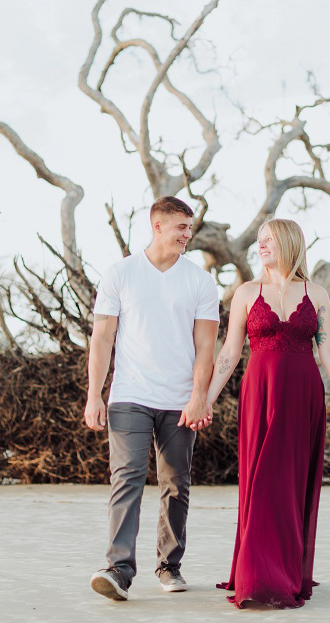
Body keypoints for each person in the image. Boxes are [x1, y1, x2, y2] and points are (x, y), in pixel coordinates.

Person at [207, 218, 330, 609]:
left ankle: (285, 571)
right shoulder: (245, 293)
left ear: (290, 243)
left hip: (303, 395)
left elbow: (328, 349)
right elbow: (229, 353)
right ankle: (256, 575)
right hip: (260, 393)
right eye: (259, 240)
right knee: (261, 481)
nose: (261, 245)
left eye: (269, 239)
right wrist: (205, 398)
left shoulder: (317, 293)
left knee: (290, 483)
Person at [83, 196, 220, 601]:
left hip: (180, 401)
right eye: (181, 227)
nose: (187, 235)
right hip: (129, 395)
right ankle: (118, 570)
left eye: (190, 228)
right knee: (126, 478)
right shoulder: (121, 273)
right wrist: (94, 395)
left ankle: (169, 565)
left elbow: (206, 348)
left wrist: (198, 397)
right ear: (157, 225)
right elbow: (102, 338)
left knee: (176, 483)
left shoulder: (200, 281)